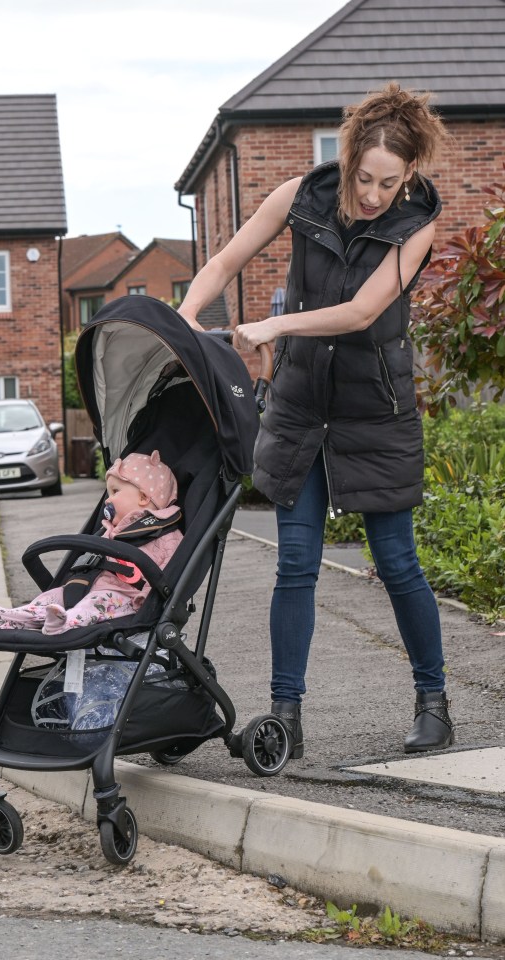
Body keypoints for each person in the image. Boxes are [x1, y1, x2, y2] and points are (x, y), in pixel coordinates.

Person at [178, 82, 454, 755]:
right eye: (364, 177)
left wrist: (273, 323)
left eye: (388, 182)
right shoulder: (300, 194)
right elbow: (222, 260)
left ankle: (433, 701)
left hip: (374, 410)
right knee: (294, 564)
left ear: (409, 173)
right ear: (351, 153)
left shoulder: (415, 223)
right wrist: (183, 323)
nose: (372, 195)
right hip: (301, 406)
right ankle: (286, 717)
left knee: (396, 562)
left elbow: (361, 313)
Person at [0, 450, 183, 635]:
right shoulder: (112, 530)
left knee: (95, 604)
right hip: (88, 586)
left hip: (124, 597)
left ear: (144, 497)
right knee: (52, 597)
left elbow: (170, 571)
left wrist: (146, 598)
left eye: (115, 492)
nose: (107, 500)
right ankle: (9, 618)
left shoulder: (165, 535)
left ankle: (66, 623)